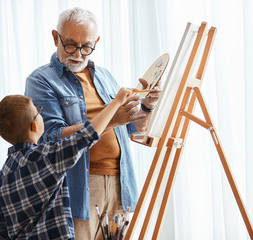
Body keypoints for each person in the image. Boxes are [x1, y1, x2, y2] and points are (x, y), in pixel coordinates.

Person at [24, 7, 160, 239]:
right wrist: (112, 119)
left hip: (121, 182)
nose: (78, 54)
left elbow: (133, 129)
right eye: (70, 44)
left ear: (96, 41)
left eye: (86, 46)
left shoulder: (105, 76)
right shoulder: (41, 80)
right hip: (80, 185)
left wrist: (146, 106)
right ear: (55, 37)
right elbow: (53, 138)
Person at [0, 89, 133, 240]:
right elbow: (86, 135)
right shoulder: (46, 156)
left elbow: (1, 234)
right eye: (38, 111)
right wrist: (116, 102)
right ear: (34, 126)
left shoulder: (1, 177)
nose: (41, 113)